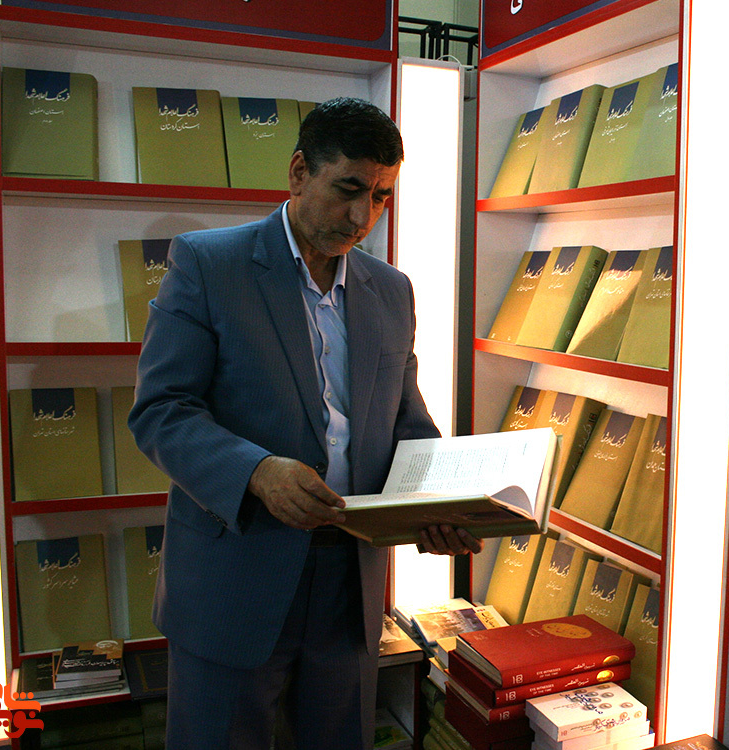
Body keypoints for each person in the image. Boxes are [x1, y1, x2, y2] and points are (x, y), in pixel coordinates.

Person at [129, 97, 481, 749]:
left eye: (380, 197)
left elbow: (406, 420)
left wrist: (439, 504)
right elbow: (161, 409)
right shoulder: (208, 264)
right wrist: (256, 472)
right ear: (298, 172)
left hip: (350, 585)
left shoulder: (392, 290)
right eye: (348, 189)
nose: (362, 217)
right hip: (235, 576)